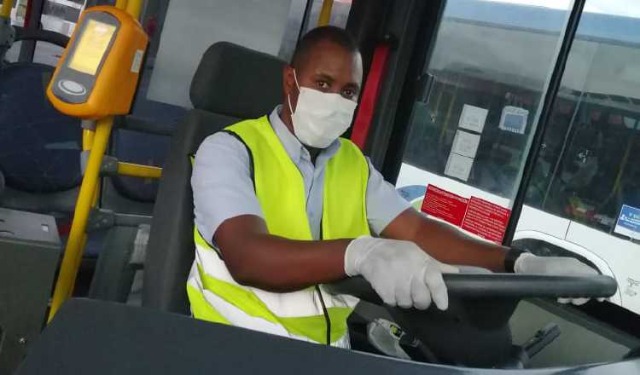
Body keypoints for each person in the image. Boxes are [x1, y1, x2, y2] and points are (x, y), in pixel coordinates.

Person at [187, 26, 597, 348]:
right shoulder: (228, 150)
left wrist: (516, 262)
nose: (336, 99)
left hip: (323, 350)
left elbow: (417, 231)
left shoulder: (352, 164)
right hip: (230, 346)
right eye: (323, 84)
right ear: (291, 82)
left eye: (348, 91)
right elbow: (246, 255)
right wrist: (362, 252)